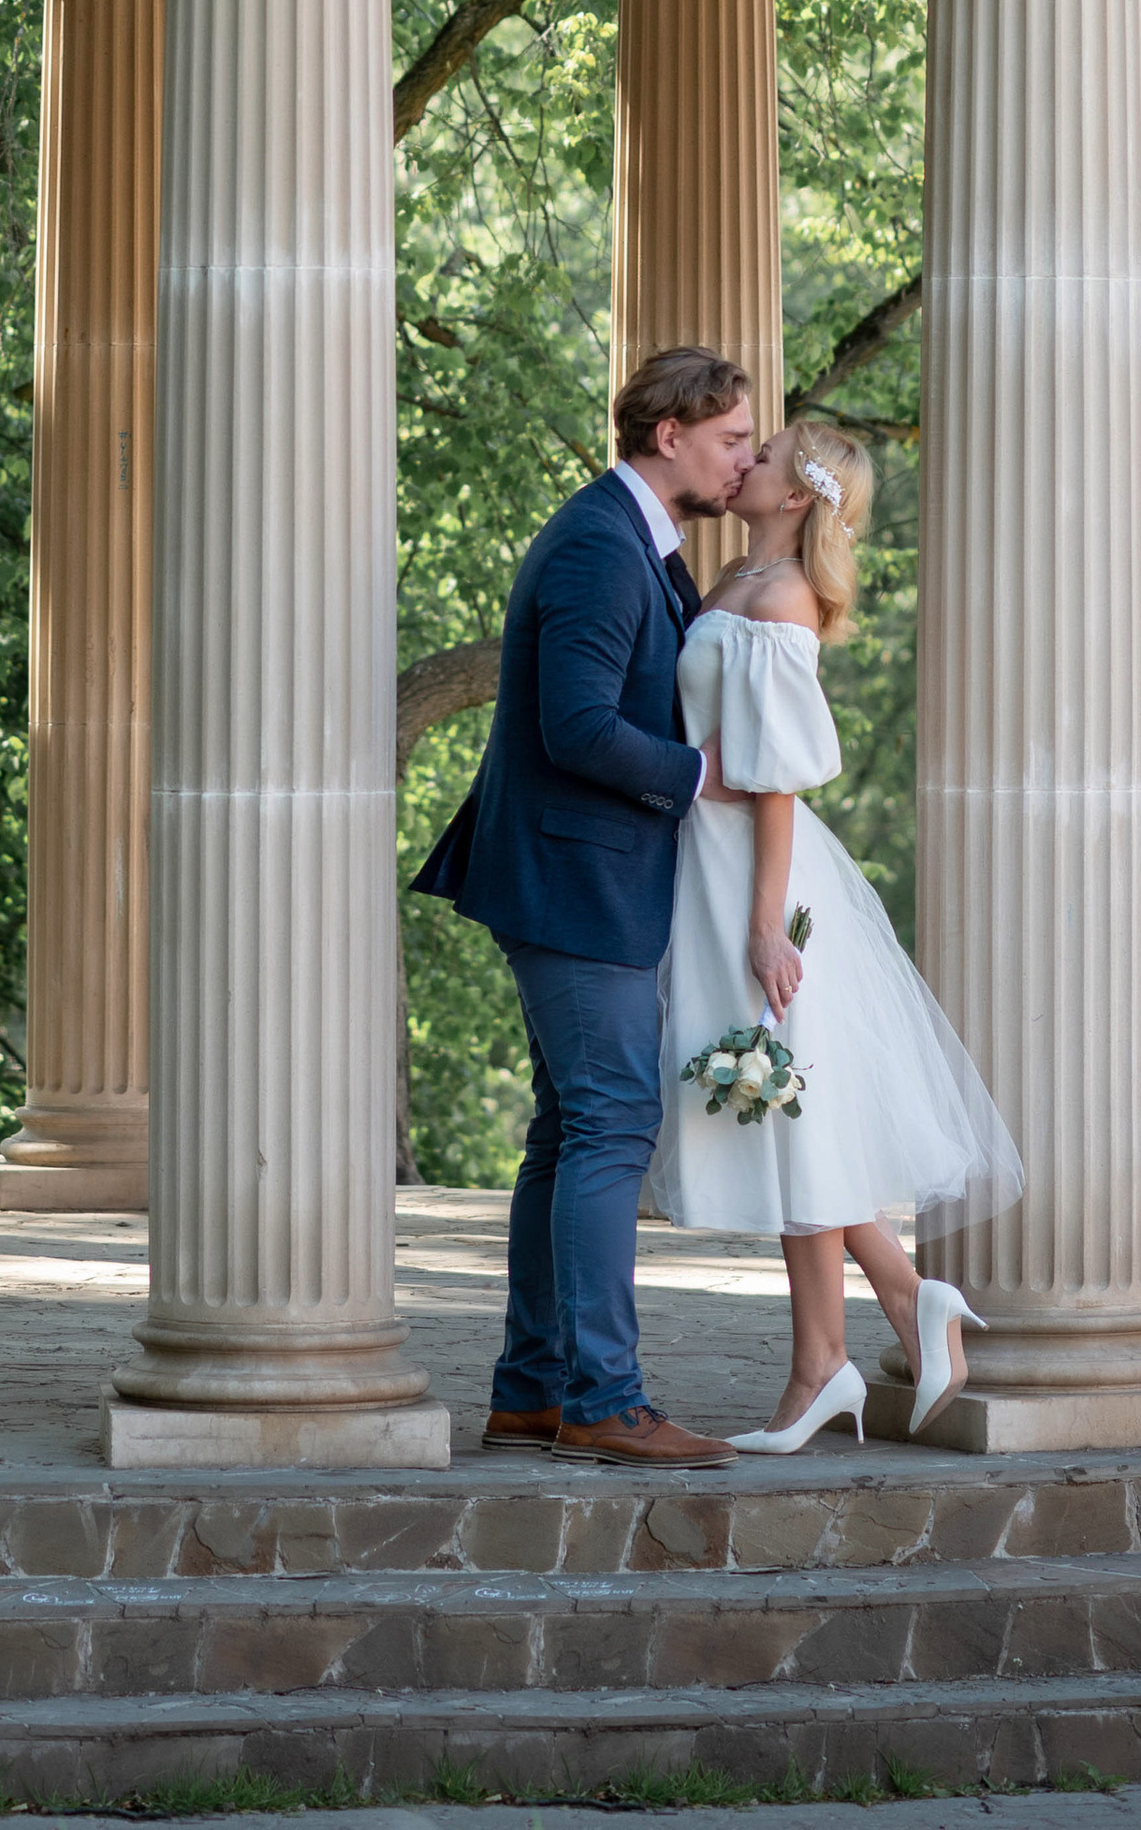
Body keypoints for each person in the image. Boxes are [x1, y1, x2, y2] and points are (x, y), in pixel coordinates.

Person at [647, 417, 1023, 1451]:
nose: (744, 462)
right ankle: (867, 1331)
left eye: (762, 455)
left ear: (798, 495)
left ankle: (852, 1343)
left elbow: (771, 781)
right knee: (781, 1111)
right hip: (711, 861)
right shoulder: (730, 582)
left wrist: (765, 928)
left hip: (753, 876)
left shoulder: (775, 602)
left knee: (781, 1101)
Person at [413, 343, 757, 1468]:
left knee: (567, 1133)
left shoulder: (633, 540)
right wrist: (706, 777)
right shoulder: (600, 548)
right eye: (730, 441)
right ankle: (606, 1401)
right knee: (610, 1125)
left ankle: (531, 1390)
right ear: (670, 438)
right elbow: (574, 728)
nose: (742, 461)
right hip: (576, 880)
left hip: (581, 874)